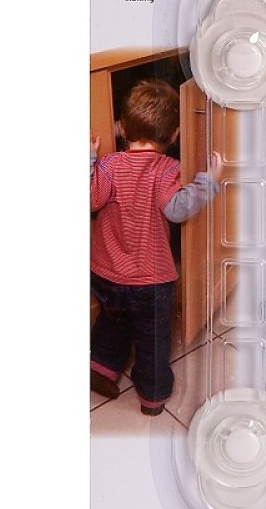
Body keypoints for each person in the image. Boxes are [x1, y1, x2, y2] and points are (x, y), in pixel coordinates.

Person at [90, 78, 223, 415]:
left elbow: (91, 199)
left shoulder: (108, 165)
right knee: (152, 339)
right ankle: (152, 395)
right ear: (175, 135)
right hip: (150, 282)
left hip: (106, 274)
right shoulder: (167, 170)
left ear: (121, 128)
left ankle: (100, 367)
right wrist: (207, 182)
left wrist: (89, 159)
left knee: (112, 321)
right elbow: (177, 210)